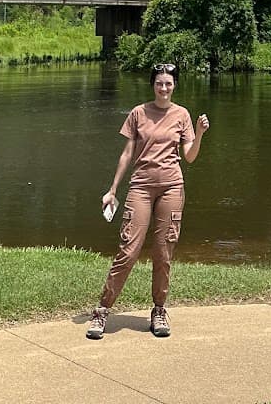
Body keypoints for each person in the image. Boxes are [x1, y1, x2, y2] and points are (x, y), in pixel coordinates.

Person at [87, 62, 210, 340]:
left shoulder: (182, 115)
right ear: (152, 85)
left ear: (174, 85)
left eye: (168, 83)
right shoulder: (138, 113)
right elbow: (126, 154)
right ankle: (102, 311)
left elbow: (189, 156)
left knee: (163, 251)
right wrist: (112, 189)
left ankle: (159, 310)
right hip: (140, 187)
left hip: (172, 188)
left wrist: (200, 133)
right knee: (128, 250)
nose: (163, 88)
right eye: (159, 83)